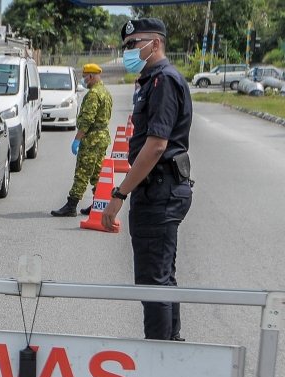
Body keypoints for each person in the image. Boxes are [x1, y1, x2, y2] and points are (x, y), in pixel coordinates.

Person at [102, 18, 193, 341]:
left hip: (159, 191)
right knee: (161, 279)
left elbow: (155, 146)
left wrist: (119, 194)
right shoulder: (150, 80)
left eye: (133, 44)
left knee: (153, 284)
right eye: (125, 46)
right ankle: (171, 346)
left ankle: (159, 356)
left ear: (155, 43)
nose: (128, 51)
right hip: (157, 190)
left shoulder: (164, 81)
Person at [50, 63, 112, 217]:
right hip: (103, 138)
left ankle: (71, 205)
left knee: (82, 172)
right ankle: (99, 204)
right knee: (97, 173)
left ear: (91, 76)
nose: (84, 81)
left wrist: (77, 139)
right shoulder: (105, 92)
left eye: (84, 77)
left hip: (92, 139)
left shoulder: (93, 94)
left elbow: (87, 120)